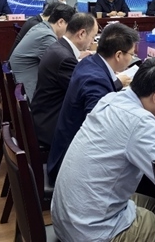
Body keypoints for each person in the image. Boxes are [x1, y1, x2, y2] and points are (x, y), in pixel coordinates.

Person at [51, 57, 155, 242]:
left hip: (71, 218)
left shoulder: (111, 99)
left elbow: (124, 138)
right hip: (93, 232)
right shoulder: (141, 122)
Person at [48, 22, 140, 183]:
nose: (132, 58)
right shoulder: (95, 81)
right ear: (118, 55)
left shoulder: (90, 62)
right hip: (71, 166)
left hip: (67, 149)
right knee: (139, 169)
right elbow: (101, 131)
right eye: (132, 54)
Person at [31, 12, 98, 148]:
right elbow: (86, 93)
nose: (92, 42)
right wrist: (118, 81)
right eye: (93, 37)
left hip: (43, 116)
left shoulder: (59, 47)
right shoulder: (65, 59)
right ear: (81, 34)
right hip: (51, 126)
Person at [9, 4, 76, 99]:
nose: (70, 32)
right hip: (29, 93)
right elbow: (61, 65)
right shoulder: (46, 36)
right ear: (61, 22)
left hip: (21, 85)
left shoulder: (41, 27)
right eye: (69, 28)